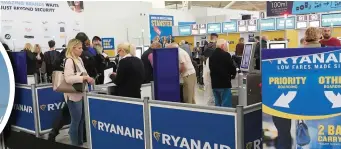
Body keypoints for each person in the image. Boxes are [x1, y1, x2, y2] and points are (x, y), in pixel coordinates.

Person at [64, 38, 95, 146]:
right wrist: (83, 78)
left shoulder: (79, 60)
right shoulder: (69, 61)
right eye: (79, 48)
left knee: (81, 120)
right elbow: (68, 79)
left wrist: (89, 78)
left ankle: (80, 142)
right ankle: (75, 143)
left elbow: (84, 73)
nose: (82, 50)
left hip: (81, 93)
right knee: (76, 121)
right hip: (73, 95)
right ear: (73, 48)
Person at [209, 39, 236, 107]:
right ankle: (227, 117)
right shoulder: (226, 55)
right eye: (226, 45)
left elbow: (211, 68)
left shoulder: (211, 55)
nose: (227, 47)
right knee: (226, 105)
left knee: (218, 104)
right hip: (224, 84)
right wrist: (234, 73)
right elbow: (231, 68)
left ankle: (218, 117)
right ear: (222, 46)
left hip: (215, 84)